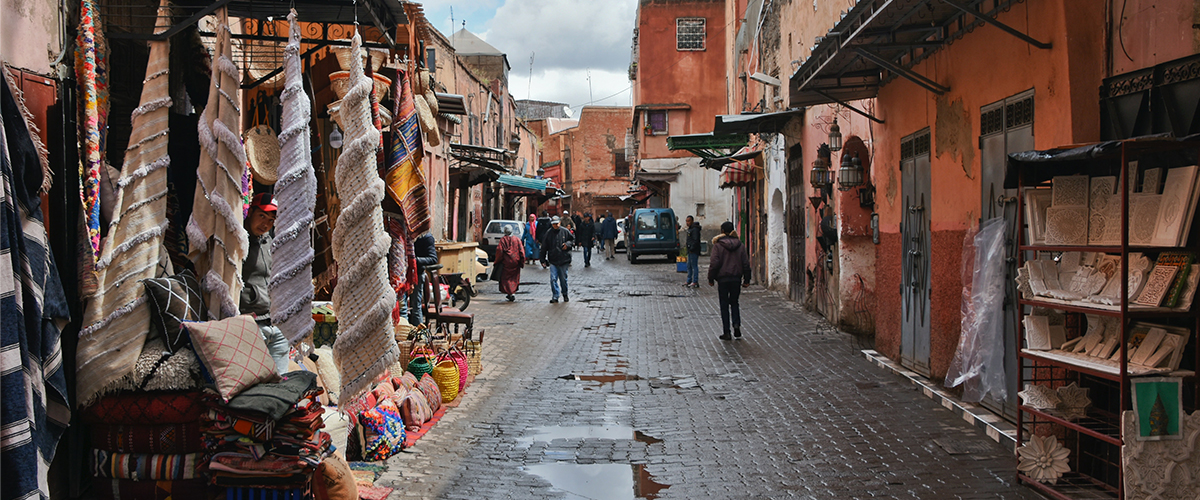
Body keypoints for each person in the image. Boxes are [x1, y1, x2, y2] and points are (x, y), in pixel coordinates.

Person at [240, 193, 290, 374]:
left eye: (270, 220)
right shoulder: (238, 241)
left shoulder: (270, 242)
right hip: (251, 323)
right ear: (250, 212)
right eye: (262, 216)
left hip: (276, 322)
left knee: (280, 379)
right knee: (253, 379)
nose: (266, 224)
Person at [708, 221, 751, 340]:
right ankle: (736, 325)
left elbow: (714, 263)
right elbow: (745, 263)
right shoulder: (740, 245)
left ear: (722, 231)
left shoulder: (718, 246)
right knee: (734, 302)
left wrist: (711, 278)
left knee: (724, 304)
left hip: (723, 279)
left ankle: (726, 331)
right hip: (736, 278)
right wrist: (747, 278)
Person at [400, 232, 438, 326]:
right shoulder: (403, 234)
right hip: (402, 274)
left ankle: (419, 334)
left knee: (416, 306)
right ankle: (404, 333)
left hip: (417, 275)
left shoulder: (426, 237)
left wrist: (414, 260)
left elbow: (433, 259)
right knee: (402, 306)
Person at [540, 216, 574, 303]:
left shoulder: (565, 232)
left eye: (557, 224)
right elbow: (544, 247)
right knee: (553, 278)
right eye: (554, 224)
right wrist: (542, 259)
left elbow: (572, 240)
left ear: (560, 223)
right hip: (553, 259)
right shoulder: (548, 233)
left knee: (563, 279)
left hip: (564, 259)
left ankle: (565, 293)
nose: (556, 225)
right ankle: (555, 296)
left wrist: (567, 245)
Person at [495, 225, 524, 301]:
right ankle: (512, 293)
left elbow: (499, 251)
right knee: (514, 278)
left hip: (506, 263)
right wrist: (522, 261)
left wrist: (497, 261)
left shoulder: (503, 240)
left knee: (506, 278)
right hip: (515, 262)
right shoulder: (517, 240)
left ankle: (509, 293)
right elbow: (522, 251)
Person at [684, 215, 702, 288]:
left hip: (693, 250)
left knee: (694, 266)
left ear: (692, 221)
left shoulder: (695, 230)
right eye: (686, 221)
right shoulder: (690, 229)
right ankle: (689, 280)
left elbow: (695, 240)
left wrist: (692, 248)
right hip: (690, 250)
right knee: (689, 265)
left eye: (688, 221)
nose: (687, 223)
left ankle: (695, 281)